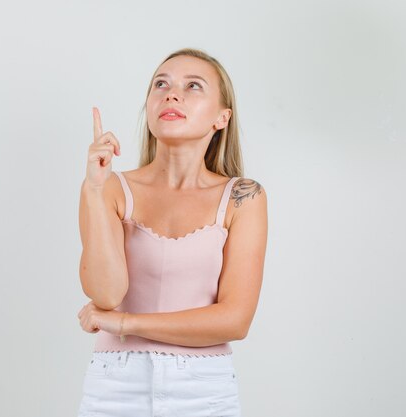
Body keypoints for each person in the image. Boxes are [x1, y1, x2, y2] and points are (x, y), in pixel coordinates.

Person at [76, 47, 267, 417]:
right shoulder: (110, 187)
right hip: (114, 387)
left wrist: (126, 323)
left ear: (222, 117)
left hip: (204, 388)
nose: (171, 93)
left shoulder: (243, 197)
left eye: (193, 86)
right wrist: (96, 191)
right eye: (160, 84)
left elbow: (235, 319)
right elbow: (106, 292)